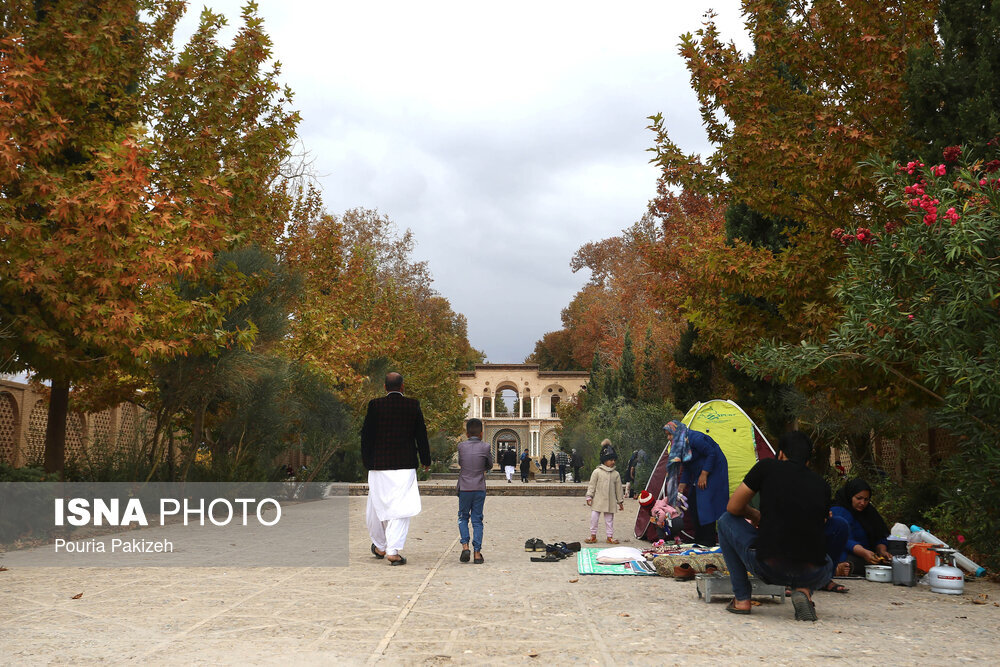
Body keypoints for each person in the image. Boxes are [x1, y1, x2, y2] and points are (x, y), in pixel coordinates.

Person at [717, 431, 834, 621]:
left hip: (769, 565)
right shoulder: (822, 485)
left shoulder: (767, 467)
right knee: (837, 527)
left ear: (780, 454)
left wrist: (755, 515)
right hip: (816, 570)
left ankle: (742, 599)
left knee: (725, 521)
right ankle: (804, 591)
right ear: (808, 461)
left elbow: (733, 507)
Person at [361, 372, 431, 566]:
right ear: (402, 387)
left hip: (378, 464)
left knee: (377, 505)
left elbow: (366, 436)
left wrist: (367, 461)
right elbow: (421, 435)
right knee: (401, 507)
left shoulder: (375, 406)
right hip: (404, 463)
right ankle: (392, 550)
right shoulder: (412, 405)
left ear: (385, 387)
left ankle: (380, 545)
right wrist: (426, 459)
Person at [664, 421, 728, 546]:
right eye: (667, 435)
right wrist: (682, 485)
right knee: (693, 501)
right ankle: (699, 538)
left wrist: (705, 473)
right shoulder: (680, 445)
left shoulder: (695, 438)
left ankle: (709, 540)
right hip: (698, 469)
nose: (668, 438)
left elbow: (711, 453)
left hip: (714, 469)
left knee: (705, 502)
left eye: (670, 434)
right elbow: (687, 466)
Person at [831, 478, 892, 575]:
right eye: (858, 498)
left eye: (866, 499)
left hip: (867, 553)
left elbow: (879, 534)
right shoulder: (839, 511)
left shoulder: (869, 512)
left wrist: (882, 551)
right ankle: (840, 568)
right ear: (850, 496)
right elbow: (845, 540)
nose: (862, 503)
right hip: (848, 553)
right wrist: (864, 552)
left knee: (894, 556)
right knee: (853, 563)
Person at [457, 418, 492, 564]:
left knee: (463, 517)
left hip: (464, 487)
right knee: (477, 520)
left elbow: (460, 463)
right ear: (482, 433)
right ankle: (477, 553)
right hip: (479, 487)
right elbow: (489, 464)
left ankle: (465, 546)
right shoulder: (486, 447)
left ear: (466, 433)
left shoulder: (461, 446)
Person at [585, 440, 625, 543]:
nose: (613, 462)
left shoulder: (615, 474)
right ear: (604, 460)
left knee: (609, 520)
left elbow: (619, 489)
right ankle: (593, 535)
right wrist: (589, 496)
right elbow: (592, 485)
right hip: (598, 499)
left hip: (610, 501)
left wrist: (620, 501)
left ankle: (609, 536)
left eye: (613, 460)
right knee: (594, 518)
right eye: (610, 460)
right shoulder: (597, 472)